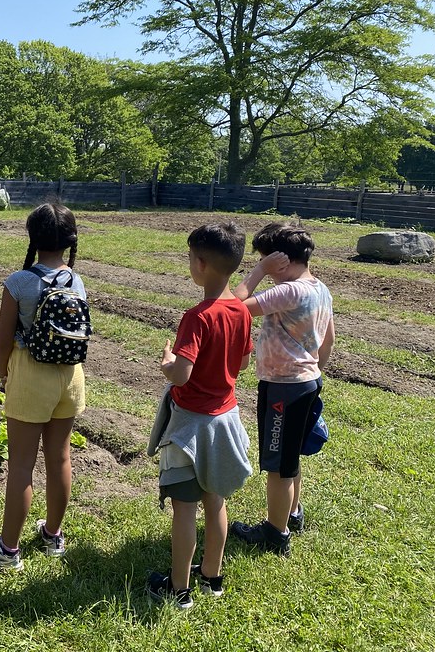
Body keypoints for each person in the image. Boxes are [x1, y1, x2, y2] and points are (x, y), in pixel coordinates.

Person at [0, 202, 83, 570]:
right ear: (69, 241)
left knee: (21, 465)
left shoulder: (19, 283)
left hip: (32, 377)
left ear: (33, 237)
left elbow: (2, 341)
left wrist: (4, 373)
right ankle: (52, 536)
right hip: (71, 377)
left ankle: (8, 549)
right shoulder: (76, 281)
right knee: (60, 457)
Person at [146, 223, 253, 609]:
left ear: (202, 264)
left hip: (191, 424)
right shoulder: (241, 311)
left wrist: (167, 364)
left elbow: (182, 374)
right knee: (217, 501)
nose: (189, 263)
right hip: (226, 420)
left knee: (185, 510)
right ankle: (212, 577)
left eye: (190, 256)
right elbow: (241, 361)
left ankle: (178, 589)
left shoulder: (197, 316)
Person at [229, 222, 335, 557]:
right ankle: (292, 513)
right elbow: (328, 338)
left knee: (277, 465)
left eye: (268, 259)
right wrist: (317, 370)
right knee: (290, 458)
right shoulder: (320, 288)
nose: (269, 269)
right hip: (307, 382)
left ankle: (276, 533)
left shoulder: (289, 290)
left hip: (284, 389)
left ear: (281, 260)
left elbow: (231, 306)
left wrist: (259, 270)